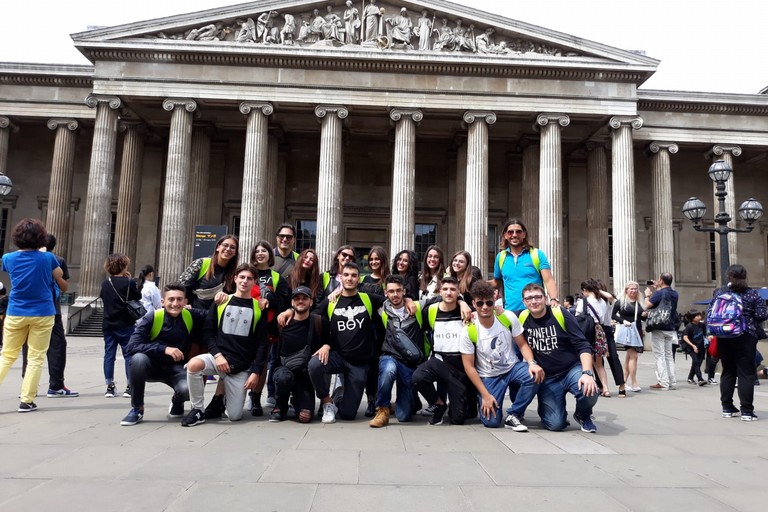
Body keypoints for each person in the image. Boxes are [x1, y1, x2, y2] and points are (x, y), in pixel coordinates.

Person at [287, 261, 385, 423]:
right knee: (314, 364)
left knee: (348, 414)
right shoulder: (330, 301)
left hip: (359, 363)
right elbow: (309, 312)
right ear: (340, 278)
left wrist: (409, 301)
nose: (350, 278)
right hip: (338, 356)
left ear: (359, 279)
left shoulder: (368, 299)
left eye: (354, 275)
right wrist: (290, 310)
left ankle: (339, 396)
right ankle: (327, 401)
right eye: (346, 275)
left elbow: (394, 300)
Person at [182, 264, 268, 426]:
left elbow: (261, 343)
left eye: (249, 279)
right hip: (218, 359)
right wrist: (218, 355)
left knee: (234, 416)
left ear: (255, 282)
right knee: (193, 365)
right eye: (241, 277)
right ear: (235, 279)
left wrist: (255, 372)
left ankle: (224, 399)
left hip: (241, 366)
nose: (245, 281)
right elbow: (207, 332)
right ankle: (197, 409)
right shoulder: (222, 301)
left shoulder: (259, 307)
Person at [460, 281, 544, 430]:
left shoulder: (507, 317)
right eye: (480, 303)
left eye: (489, 302)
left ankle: (514, 414)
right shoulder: (468, 330)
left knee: (534, 375)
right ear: (473, 303)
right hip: (489, 375)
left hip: (512, 367)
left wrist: (532, 363)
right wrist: (485, 395)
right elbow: (469, 367)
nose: (485, 307)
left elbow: (522, 344)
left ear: (494, 301)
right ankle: (484, 399)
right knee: (491, 422)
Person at [120, 283, 207, 425]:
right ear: (162, 302)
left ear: (186, 302)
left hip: (176, 369)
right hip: (151, 367)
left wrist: (222, 298)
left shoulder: (191, 315)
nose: (175, 303)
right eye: (171, 299)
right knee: (138, 360)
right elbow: (132, 346)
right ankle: (137, 409)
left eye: (179, 300)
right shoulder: (152, 317)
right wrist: (164, 349)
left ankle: (178, 400)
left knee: (188, 389)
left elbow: (214, 314)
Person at [517, 283, 599, 432]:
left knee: (590, 389)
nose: (534, 301)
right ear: (523, 302)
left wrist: (587, 373)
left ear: (546, 298)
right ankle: (550, 410)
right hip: (548, 378)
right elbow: (496, 315)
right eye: (529, 298)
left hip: (571, 370)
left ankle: (583, 414)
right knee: (555, 424)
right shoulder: (522, 317)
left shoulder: (560, 313)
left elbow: (583, 344)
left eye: (537, 297)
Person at [0, 219, 62, 413]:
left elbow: (10, 270)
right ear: (40, 238)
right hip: (43, 312)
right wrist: (44, 255)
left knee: (7, 355)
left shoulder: (7, 258)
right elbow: (58, 275)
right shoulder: (48, 258)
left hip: (16, 310)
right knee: (36, 357)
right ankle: (27, 400)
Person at [707, 264, 768, 421]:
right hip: (745, 336)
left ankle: (727, 408)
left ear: (729, 276)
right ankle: (746, 411)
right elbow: (762, 315)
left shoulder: (720, 293)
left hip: (724, 336)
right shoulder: (752, 294)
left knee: (728, 371)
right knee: (746, 373)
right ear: (745, 276)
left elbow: (710, 313)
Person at [411, 276, 472, 425]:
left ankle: (457, 404)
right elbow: (420, 325)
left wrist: (463, 302)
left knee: (458, 419)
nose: (449, 292)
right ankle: (438, 403)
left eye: (452, 289)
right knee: (418, 377)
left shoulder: (466, 311)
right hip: (439, 361)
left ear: (458, 292)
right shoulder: (431, 310)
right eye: (445, 289)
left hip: (460, 366)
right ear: (440, 292)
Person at [369, 275, 426, 427]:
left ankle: (410, 401)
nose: (395, 295)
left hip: (409, 362)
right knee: (388, 371)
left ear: (404, 291)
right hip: (390, 355)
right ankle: (382, 409)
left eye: (398, 291)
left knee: (403, 416)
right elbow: (355, 291)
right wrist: (337, 291)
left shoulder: (417, 308)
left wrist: (462, 303)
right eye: (391, 291)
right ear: (385, 292)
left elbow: (443, 300)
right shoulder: (381, 310)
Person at [248, 240, 291, 416]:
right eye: (257, 251)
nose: (260, 253)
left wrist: (269, 300)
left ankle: (256, 397)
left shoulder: (276, 277)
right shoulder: (246, 273)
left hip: (266, 326)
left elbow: (284, 302)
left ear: (269, 255)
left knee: (262, 362)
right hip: (244, 325)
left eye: (264, 251)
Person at [270, 286, 324, 423]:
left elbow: (331, 340)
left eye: (305, 298)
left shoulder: (318, 321)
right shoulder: (282, 322)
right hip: (284, 369)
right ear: (292, 303)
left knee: (305, 417)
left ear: (311, 302)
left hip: (304, 376)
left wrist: (327, 346)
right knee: (283, 378)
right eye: (297, 299)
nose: (301, 301)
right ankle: (280, 404)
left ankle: (296, 401)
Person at [40, 234, 78, 397]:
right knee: (57, 346)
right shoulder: (56, 260)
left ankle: (28, 388)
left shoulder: (19, 258)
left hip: (23, 310)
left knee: (31, 350)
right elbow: (63, 286)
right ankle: (55, 385)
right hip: (50, 309)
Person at [493, 219, 559, 312]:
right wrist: (474, 282)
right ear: (505, 235)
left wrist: (554, 299)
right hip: (511, 313)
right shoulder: (500, 257)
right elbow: (497, 282)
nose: (514, 235)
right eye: (510, 232)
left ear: (524, 234)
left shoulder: (537, 254)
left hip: (535, 312)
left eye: (518, 232)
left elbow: (548, 280)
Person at [100, 253, 142, 399]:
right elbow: (138, 297)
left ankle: (110, 386)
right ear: (124, 266)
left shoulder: (106, 283)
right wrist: (130, 281)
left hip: (108, 324)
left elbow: (103, 298)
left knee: (109, 355)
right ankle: (130, 386)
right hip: (126, 324)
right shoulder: (128, 283)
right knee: (129, 355)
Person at [178, 235, 239, 310]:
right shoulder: (201, 263)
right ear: (218, 247)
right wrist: (184, 304)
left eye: (232, 247)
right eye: (225, 245)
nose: (228, 249)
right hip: (193, 313)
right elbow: (180, 286)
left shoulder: (234, 273)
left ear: (235, 253)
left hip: (216, 317)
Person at [645, 273, 679, 391]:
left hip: (659, 326)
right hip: (670, 327)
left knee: (660, 355)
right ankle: (672, 381)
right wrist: (658, 288)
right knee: (669, 355)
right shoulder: (675, 293)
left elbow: (648, 305)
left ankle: (663, 382)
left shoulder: (659, 293)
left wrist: (647, 295)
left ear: (661, 281)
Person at [612, 281, 645, 392]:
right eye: (631, 288)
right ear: (626, 290)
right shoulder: (620, 302)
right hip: (627, 331)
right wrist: (623, 320)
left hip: (637, 330)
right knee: (634, 356)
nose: (633, 291)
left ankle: (624, 381)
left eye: (635, 288)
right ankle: (634, 382)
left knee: (629, 357)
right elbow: (613, 315)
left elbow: (642, 317)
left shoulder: (639, 302)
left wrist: (645, 315)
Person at [682, 310, 707, 386]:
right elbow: (685, 337)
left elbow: (705, 334)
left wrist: (709, 338)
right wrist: (693, 345)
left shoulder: (702, 325)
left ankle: (690, 378)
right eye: (697, 316)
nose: (699, 317)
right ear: (692, 318)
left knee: (697, 363)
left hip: (701, 347)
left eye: (699, 315)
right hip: (691, 347)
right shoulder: (689, 326)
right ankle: (700, 379)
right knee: (696, 362)